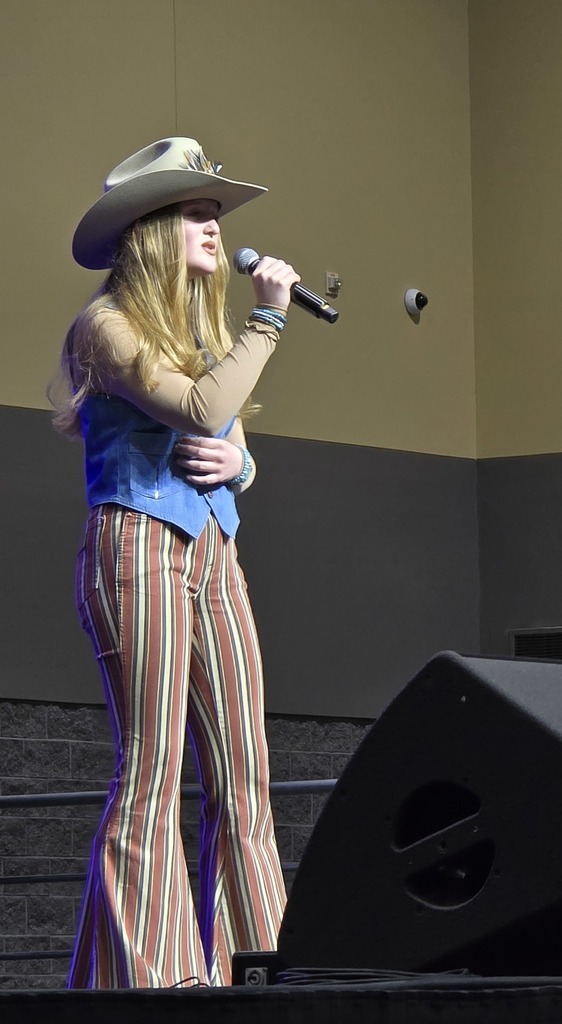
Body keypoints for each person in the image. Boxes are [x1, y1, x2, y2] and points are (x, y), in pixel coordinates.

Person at [52, 137, 301, 988]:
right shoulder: (107, 324)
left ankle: (258, 969)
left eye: (215, 212)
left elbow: (228, 437)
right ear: (152, 226)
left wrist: (247, 465)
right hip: (139, 547)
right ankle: (149, 980)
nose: (215, 226)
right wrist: (269, 319)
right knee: (153, 772)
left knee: (245, 776)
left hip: (214, 552)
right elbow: (201, 406)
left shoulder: (197, 327)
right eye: (199, 211)